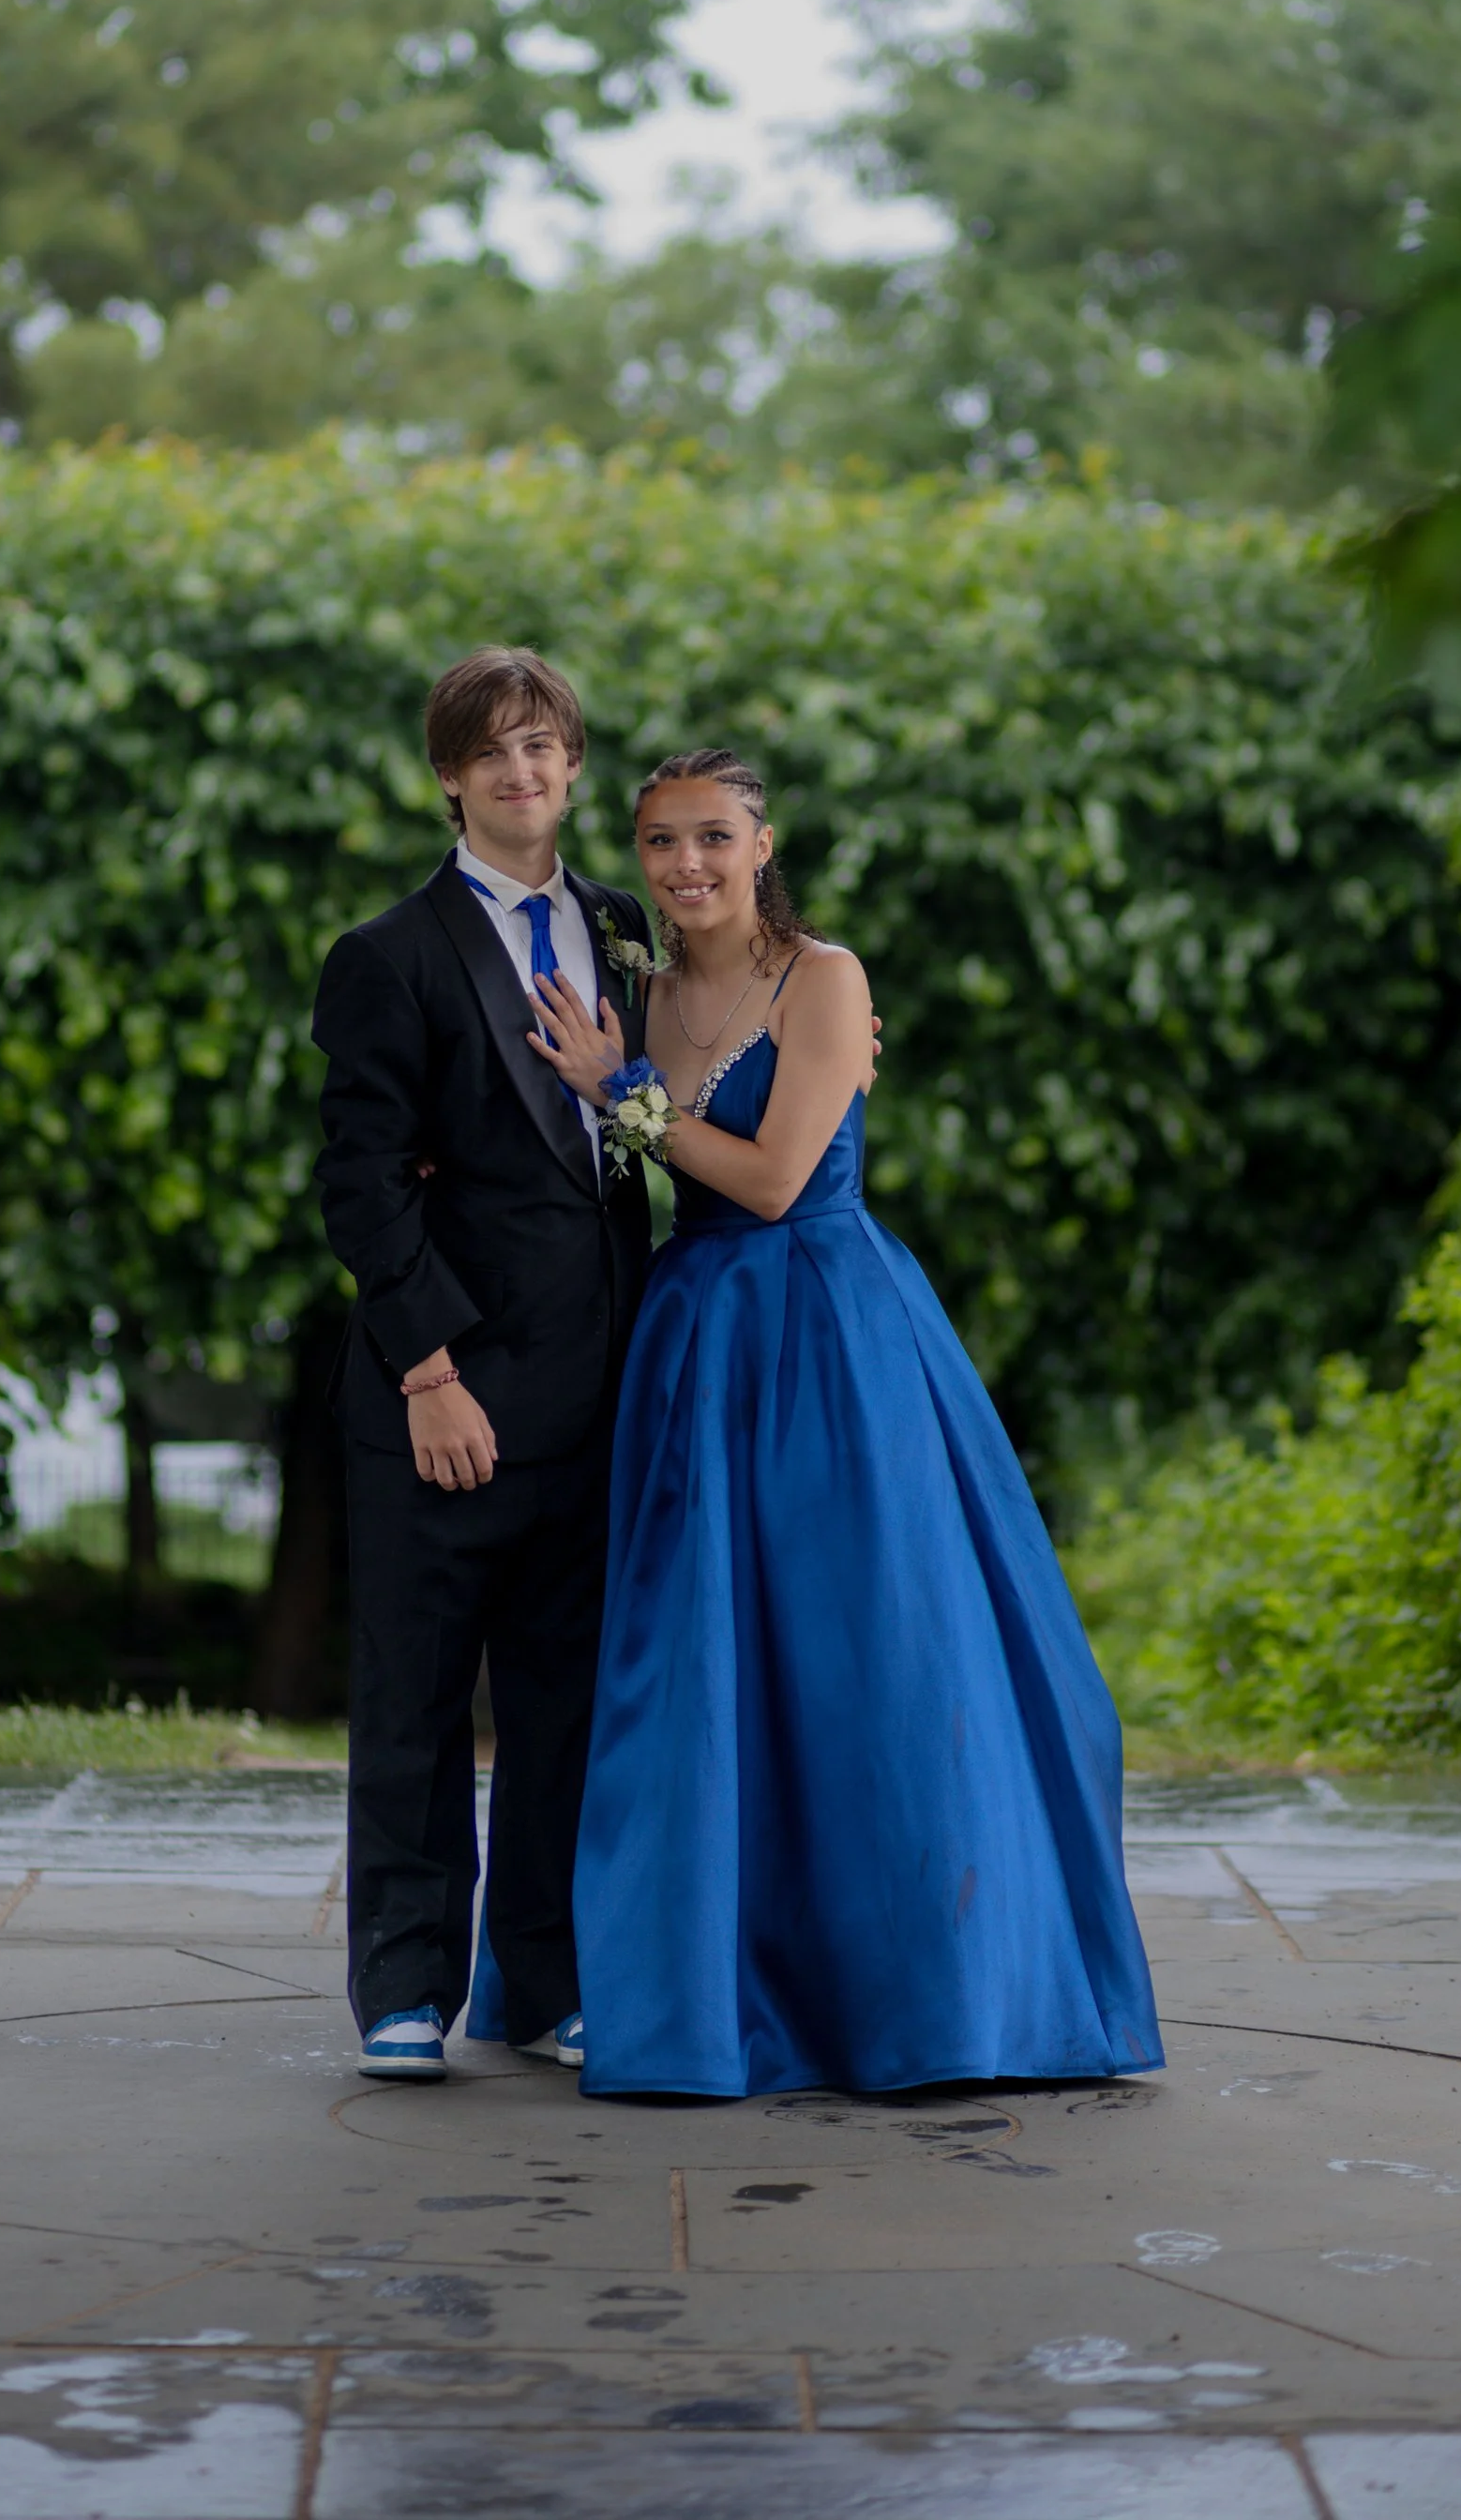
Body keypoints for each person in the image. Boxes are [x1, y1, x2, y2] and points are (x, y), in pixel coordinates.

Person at [524, 746, 1164, 2101]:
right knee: (698, 1665)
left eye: (711, 837)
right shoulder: (633, 988)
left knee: (869, 1647)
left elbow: (768, 1180)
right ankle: (718, 1986)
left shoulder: (827, 978)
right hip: (693, 1343)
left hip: (828, 1335)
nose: (684, 865)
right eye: (656, 841)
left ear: (763, 844)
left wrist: (619, 1095)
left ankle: (925, 1995)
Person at [310, 647, 655, 2083]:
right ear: (450, 776)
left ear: (574, 764)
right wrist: (428, 1368)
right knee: (416, 1698)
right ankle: (404, 1986)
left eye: (544, 746)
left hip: (600, 1383)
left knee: (562, 1702)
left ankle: (547, 1977)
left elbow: (675, 1091)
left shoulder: (625, 927)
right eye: (492, 751)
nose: (523, 772)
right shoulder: (386, 955)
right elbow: (362, 1181)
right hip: (445, 1399)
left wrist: (835, 1024)